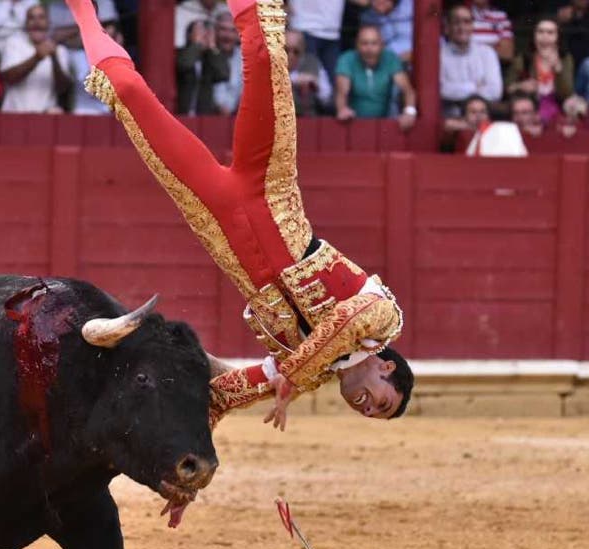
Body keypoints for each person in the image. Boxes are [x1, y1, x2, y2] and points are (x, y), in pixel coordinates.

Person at [64, 0, 413, 431]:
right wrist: (292, 377)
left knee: (127, 95)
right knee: (264, 49)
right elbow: (342, 322)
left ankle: (79, 7)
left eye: (374, 415)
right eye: (382, 404)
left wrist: (192, 463)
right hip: (269, 187)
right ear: (388, 370)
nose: (367, 409)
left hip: (212, 216)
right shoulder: (385, 318)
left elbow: (225, 393)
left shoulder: (305, 371)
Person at [0, 4, 72, 113]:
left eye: (41, 17)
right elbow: (9, 78)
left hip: (45, 117)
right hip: (13, 115)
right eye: (32, 18)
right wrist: (36, 58)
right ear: (26, 24)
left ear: (48, 23)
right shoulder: (13, 43)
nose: (36, 22)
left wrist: (54, 58)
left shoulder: (60, 50)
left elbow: (63, 89)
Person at [506, 17, 575, 127]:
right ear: (534, 36)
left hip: (558, 110)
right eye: (540, 32)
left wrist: (558, 69)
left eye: (550, 33)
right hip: (531, 111)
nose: (545, 37)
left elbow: (567, 94)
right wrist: (520, 86)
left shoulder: (565, 59)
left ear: (558, 37)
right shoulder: (523, 59)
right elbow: (507, 88)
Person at [176, 19, 229, 115]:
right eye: (200, 31)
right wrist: (196, 44)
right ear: (189, 35)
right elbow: (184, 64)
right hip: (181, 112)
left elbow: (223, 74)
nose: (204, 35)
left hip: (204, 116)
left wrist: (212, 46)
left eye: (207, 32)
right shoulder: (181, 53)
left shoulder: (212, 57)